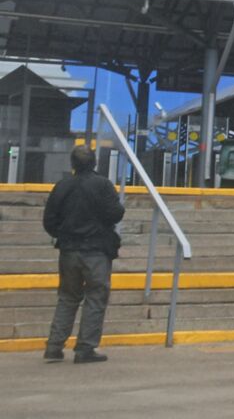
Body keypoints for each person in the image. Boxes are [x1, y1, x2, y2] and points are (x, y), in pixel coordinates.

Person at [42, 144, 124, 364]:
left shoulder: (61, 186)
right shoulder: (103, 185)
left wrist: (64, 234)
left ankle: (54, 347)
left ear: (72, 164)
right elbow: (116, 214)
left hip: (68, 250)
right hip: (96, 250)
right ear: (95, 162)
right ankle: (85, 348)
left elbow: (49, 221)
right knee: (96, 297)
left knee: (67, 297)